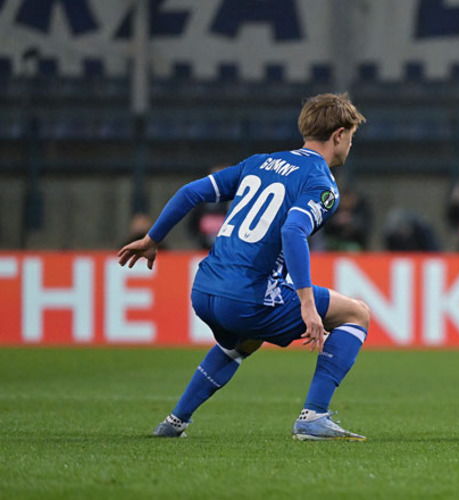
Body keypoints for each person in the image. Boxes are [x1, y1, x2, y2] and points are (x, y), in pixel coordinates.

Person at [118, 93, 370, 441]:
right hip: (246, 298)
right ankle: (314, 416)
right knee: (357, 314)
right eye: (351, 137)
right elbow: (293, 231)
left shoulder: (259, 162)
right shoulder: (321, 183)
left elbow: (190, 192)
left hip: (204, 290)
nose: (350, 145)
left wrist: (152, 238)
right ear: (339, 135)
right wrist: (307, 303)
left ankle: (175, 421)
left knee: (240, 342)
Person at [186, 165, 229, 250]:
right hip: (204, 246)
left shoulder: (237, 199)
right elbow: (193, 222)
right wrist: (198, 238)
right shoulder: (202, 199)